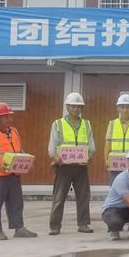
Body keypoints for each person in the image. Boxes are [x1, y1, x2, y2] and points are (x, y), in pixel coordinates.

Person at [0, 102, 37, 240]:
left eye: (10, 116)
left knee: (16, 202)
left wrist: (27, 161)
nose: (9, 119)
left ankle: (19, 228)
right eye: (6, 117)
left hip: (14, 174)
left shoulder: (14, 131)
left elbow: (18, 150)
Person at [48, 92, 96, 235]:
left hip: (81, 166)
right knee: (59, 197)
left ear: (82, 108)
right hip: (64, 167)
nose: (76, 109)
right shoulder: (58, 124)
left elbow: (91, 145)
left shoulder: (86, 124)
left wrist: (89, 156)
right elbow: (53, 144)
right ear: (67, 107)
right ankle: (55, 226)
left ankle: (83, 224)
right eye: (73, 106)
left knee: (83, 197)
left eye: (79, 107)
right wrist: (55, 156)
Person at [104, 93, 129, 183]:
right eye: (122, 107)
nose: (125, 110)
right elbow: (108, 142)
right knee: (115, 187)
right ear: (118, 108)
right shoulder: (112, 124)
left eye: (128, 107)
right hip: (115, 163)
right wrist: (106, 159)